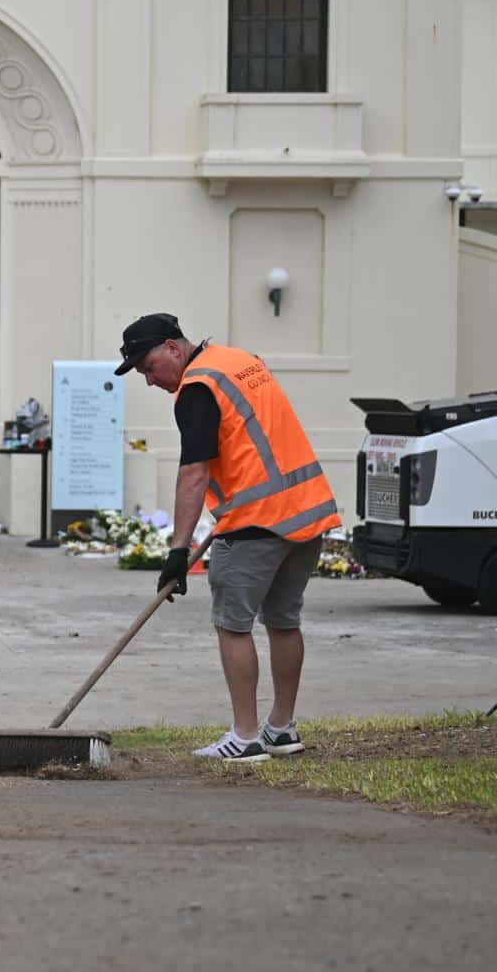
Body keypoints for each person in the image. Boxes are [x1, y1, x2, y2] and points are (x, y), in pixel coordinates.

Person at [115, 313, 340, 763]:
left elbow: (194, 473)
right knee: (283, 621)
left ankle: (245, 736)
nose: (149, 380)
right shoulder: (240, 362)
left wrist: (178, 551)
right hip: (305, 511)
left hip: (255, 523)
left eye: (148, 367)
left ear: (172, 348)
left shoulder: (197, 389)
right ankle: (281, 728)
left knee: (233, 626)